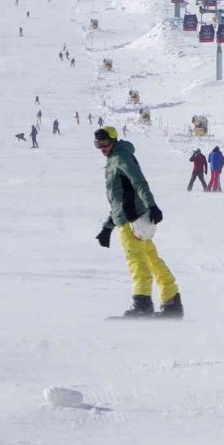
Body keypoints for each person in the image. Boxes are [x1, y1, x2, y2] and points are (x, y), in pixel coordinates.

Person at [93, 126, 182, 318]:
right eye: (97, 144)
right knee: (152, 259)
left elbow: (138, 182)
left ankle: (142, 303)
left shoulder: (120, 158)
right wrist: (107, 227)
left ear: (114, 140)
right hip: (134, 220)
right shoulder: (116, 158)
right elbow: (120, 199)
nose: (101, 147)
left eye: (104, 142)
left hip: (130, 222)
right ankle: (172, 300)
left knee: (137, 261)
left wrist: (152, 205)